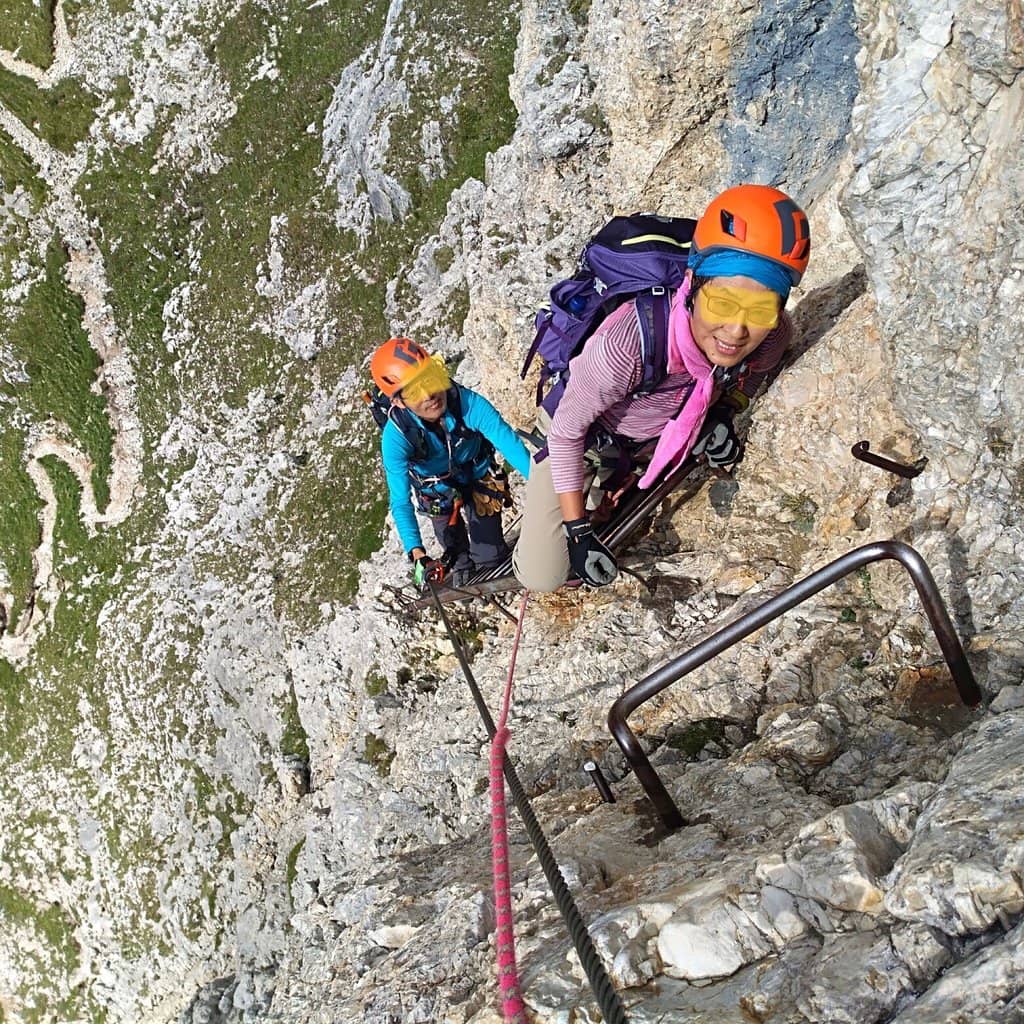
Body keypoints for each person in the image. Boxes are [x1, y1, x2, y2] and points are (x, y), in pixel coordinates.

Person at [513, 184, 811, 592]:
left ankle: (604, 489)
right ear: (692, 285)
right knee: (542, 576)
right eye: (721, 304)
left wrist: (725, 411)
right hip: (584, 435)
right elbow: (566, 433)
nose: (737, 330)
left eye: (760, 311)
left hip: (653, 430)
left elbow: (758, 369)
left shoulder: (773, 334)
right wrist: (578, 534)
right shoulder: (628, 342)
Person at [371, 337, 532, 588]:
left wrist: (555, 492)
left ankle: (489, 570)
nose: (429, 395)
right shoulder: (396, 438)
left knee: (490, 555)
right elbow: (400, 501)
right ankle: (464, 571)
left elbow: (512, 447)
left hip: (479, 477)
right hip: (438, 495)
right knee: (456, 557)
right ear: (398, 402)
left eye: (428, 379)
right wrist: (417, 553)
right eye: (413, 391)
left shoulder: (466, 403)